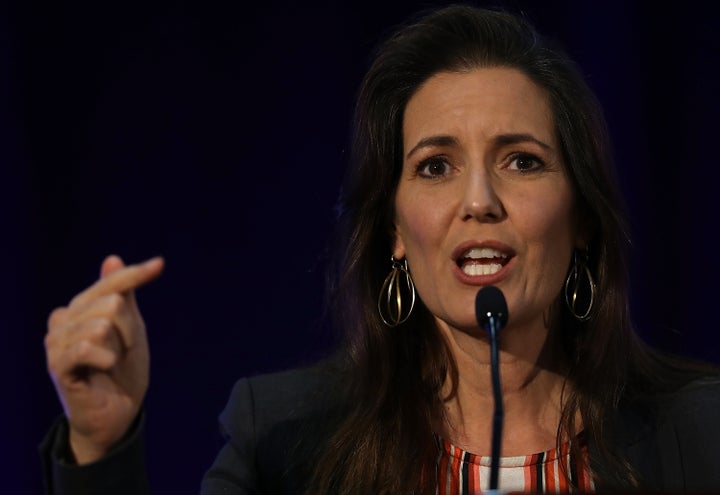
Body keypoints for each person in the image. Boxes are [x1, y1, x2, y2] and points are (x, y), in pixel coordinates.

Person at [40, 4, 720, 494]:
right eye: (434, 166)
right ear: (393, 230)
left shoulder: (699, 434)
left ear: (584, 221)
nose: (479, 200)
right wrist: (100, 447)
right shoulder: (287, 440)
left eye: (521, 160)